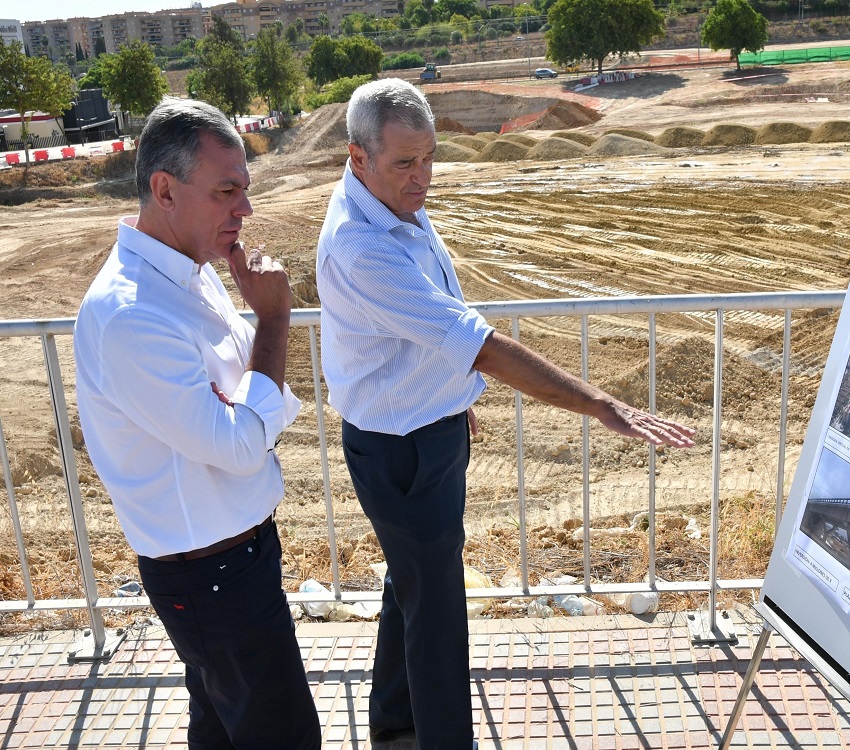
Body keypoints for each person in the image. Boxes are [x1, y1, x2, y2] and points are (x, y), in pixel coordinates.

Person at [316, 78, 696, 750]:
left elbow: (427, 342)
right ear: (357, 157)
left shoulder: (388, 205)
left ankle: (395, 724)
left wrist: (450, 404)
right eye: (405, 162)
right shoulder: (362, 246)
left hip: (419, 432)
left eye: (429, 157)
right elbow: (477, 344)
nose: (422, 176)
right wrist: (599, 403)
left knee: (413, 589)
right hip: (401, 452)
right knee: (437, 617)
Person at [74, 98, 320, 750]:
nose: (245, 210)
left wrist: (242, 404)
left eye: (245, 190)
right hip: (212, 578)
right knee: (285, 738)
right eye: (226, 191)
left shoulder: (191, 272)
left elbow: (248, 403)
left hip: (231, 562)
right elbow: (240, 442)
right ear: (164, 190)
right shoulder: (132, 313)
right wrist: (272, 322)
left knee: (223, 731)